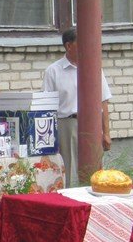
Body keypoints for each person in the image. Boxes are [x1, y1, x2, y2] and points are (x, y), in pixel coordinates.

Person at [42, 27, 112, 186]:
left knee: (95, 168)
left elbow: (104, 102)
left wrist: (106, 132)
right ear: (68, 45)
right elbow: (47, 106)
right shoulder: (53, 71)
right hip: (67, 124)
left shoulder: (94, 68)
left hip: (92, 124)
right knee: (70, 168)